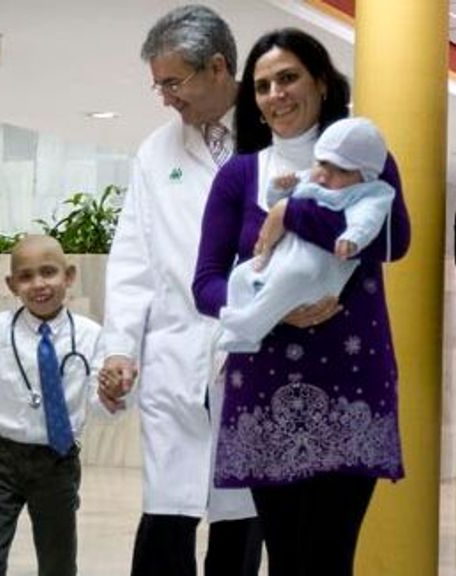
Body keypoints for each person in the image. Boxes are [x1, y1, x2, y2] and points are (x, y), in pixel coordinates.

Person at [192, 28, 410, 576]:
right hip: (266, 386)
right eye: (262, 85)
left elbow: (391, 241)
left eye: (287, 77)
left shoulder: (366, 157)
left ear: (320, 80)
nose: (275, 94)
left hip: (352, 382)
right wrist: (274, 308)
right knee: (289, 559)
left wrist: (291, 214)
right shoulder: (240, 175)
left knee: (332, 558)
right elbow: (206, 283)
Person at [96, 5, 262, 576]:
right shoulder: (154, 152)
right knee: (166, 520)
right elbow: (133, 260)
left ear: (218, 67)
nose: (165, 96)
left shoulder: (275, 138)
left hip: (250, 354)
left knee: (240, 525)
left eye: (173, 82)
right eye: (158, 83)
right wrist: (120, 347)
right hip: (175, 355)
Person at [0, 235, 122, 576]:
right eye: (26, 276)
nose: (38, 284)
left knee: (58, 563)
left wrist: (111, 397)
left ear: (69, 276)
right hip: (1, 460)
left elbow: (98, 404)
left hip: (58, 462)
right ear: (11, 285)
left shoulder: (90, 335)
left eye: (49, 272)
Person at [218, 117, 396, 353]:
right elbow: (277, 205)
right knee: (240, 275)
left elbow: (368, 219)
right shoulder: (314, 177)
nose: (326, 175)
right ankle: (240, 336)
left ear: (366, 175)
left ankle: (249, 323)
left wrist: (352, 238)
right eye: (323, 163)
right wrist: (279, 189)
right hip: (286, 255)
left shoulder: (370, 193)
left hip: (320, 267)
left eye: (342, 170)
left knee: (291, 277)